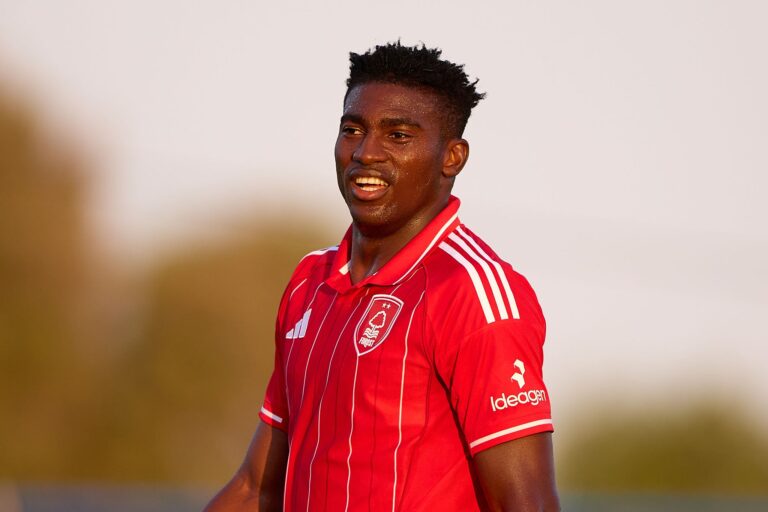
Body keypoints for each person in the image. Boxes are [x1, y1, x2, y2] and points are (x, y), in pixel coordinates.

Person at [205, 42, 560, 512]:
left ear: (452, 157)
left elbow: (527, 502)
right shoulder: (309, 282)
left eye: (398, 135)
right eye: (353, 130)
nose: (366, 152)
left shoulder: (473, 292)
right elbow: (257, 487)